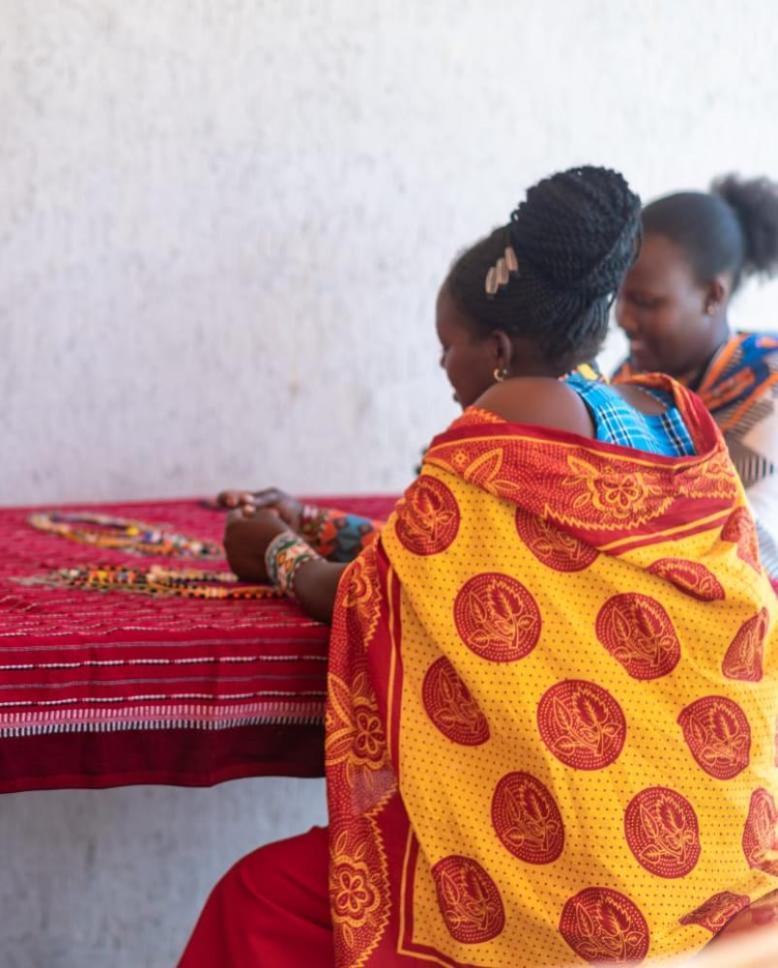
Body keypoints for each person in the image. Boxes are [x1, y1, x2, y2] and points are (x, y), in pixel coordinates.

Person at [183, 166, 778, 965]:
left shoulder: (497, 439)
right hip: (723, 846)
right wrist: (324, 523)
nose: (442, 372)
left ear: (497, 349)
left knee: (257, 899)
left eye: (446, 351)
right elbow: (477, 564)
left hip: (591, 868)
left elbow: (379, 594)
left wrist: (277, 554)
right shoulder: (675, 411)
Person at [614, 175, 778, 571]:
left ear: (713, 296)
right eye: (618, 296)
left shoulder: (769, 389)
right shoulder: (633, 378)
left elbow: (749, 555)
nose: (623, 319)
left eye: (646, 302)